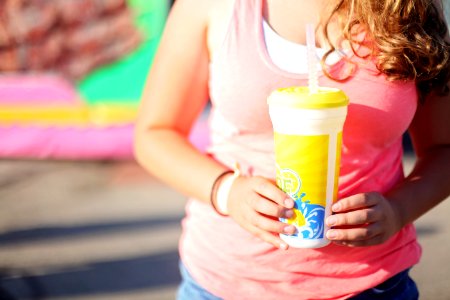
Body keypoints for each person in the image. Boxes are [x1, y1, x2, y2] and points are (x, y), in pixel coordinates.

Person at [134, 0, 450, 298]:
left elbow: (443, 148)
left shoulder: (410, 9)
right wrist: (227, 191)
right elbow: (155, 133)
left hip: (375, 284)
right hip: (226, 281)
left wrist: (398, 210)